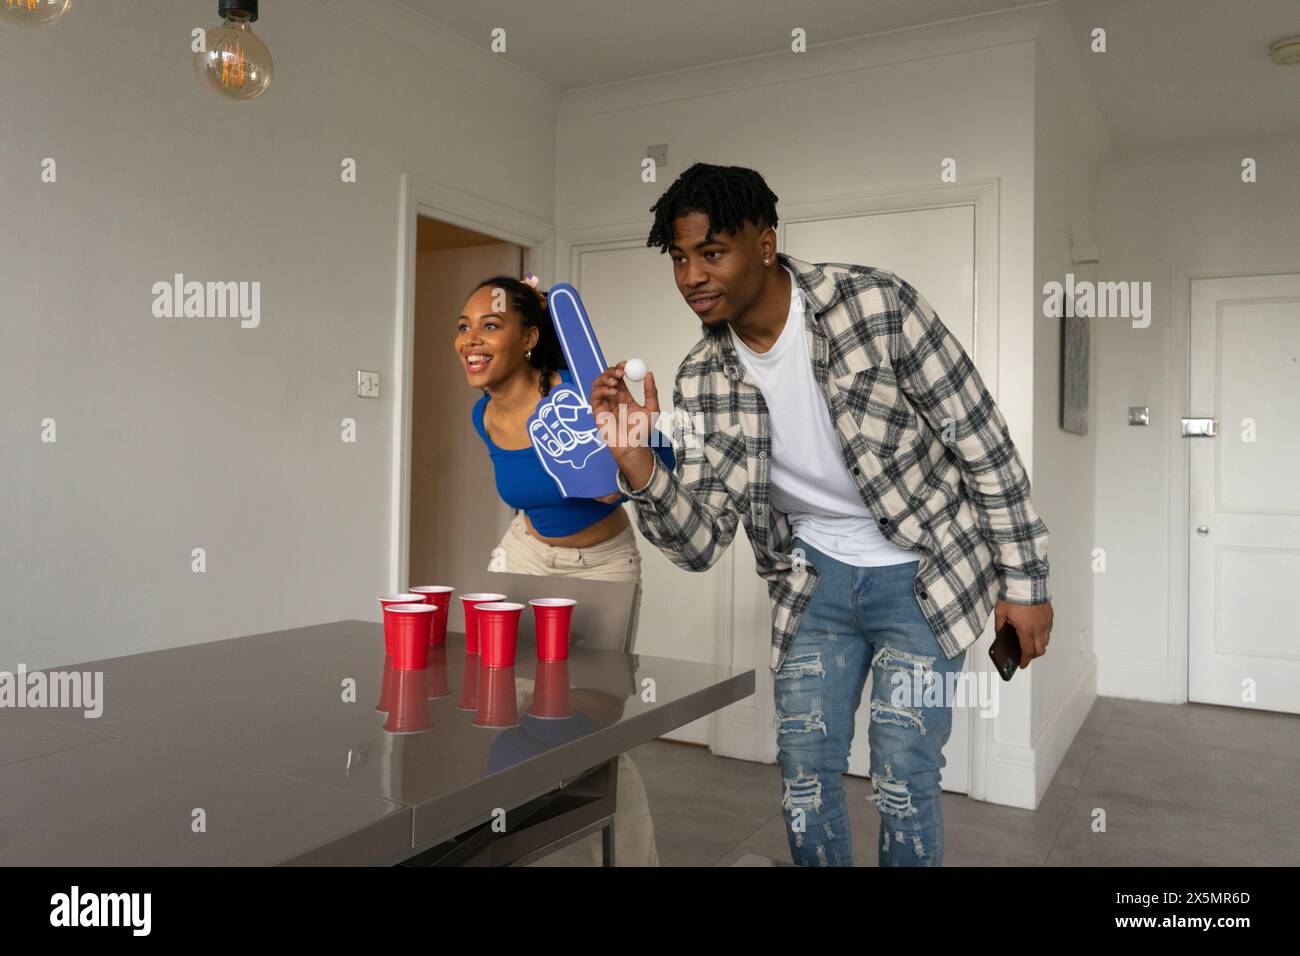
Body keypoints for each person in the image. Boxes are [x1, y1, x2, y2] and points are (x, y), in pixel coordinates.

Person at [589, 162, 1054, 867]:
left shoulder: (877, 307)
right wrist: (639, 465)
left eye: (711, 253)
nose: (691, 277)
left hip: (924, 578)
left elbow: (983, 444)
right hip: (814, 584)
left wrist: (1025, 584)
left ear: (766, 244)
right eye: (680, 259)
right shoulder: (699, 378)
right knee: (804, 775)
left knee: (903, 774)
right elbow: (702, 541)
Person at [457, 274, 675, 866]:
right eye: (464, 326)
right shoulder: (484, 417)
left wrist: (623, 465)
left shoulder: (578, 392)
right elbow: (536, 493)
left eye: (491, 324)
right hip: (525, 553)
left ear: (530, 338)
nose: (471, 339)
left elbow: (655, 464)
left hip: (601, 565)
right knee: (503, 703)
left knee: (591, 731)